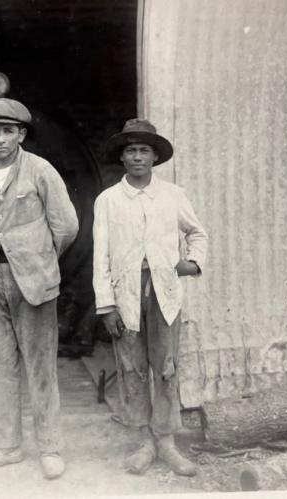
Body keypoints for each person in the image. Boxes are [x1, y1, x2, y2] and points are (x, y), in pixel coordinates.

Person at [0, 98, 79, 479]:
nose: (0, 139)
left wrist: (38, 257)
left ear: (21, 134)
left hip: (33, 280)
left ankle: (49, 447)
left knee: (40, 366)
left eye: (8, 131)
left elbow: (66, 225)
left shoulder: (39, 170)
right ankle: (6, 446)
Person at [92, 119, 209, 477]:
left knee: (167, 367)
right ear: (122, 157)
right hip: (126, 296)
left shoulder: (173, 195)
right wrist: (106, 305)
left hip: (165, 295)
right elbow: (101, 256)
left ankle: (167, 442)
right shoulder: (109, 200)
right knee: (132, 369)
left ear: (155, 156)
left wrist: (189, 264)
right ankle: (144, 441)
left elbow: (197, 233)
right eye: (131, 150)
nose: (138, 156)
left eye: (144, 150)